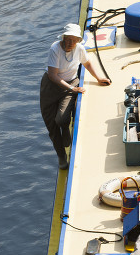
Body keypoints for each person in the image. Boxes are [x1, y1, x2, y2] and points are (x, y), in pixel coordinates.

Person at [40, 23, 110, 168]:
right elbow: (53, 75)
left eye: (73, 40)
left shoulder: (79, 48)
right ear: (63, 38)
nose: (70, 43)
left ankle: (65, 129)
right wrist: (72, 88)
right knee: (51, 125)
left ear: (78, 41)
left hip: (70, 84)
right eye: (67, 39)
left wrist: (98, 78)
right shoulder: (55, 49)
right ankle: (61, 155)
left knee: (62, 118)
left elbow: (87, 63)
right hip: (51, 86)